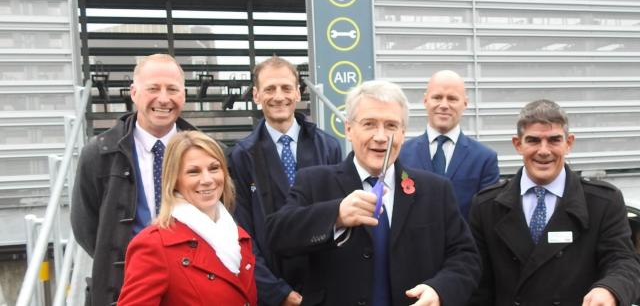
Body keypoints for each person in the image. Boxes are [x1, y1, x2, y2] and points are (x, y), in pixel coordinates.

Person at [266, 80, 480, 306]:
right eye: (369, 124)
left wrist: (439, 290)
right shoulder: (314, 182)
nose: (381, 136)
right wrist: (335, 215)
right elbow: (277, 236)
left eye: (391, 126)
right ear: (348, 129)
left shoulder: (436, 190)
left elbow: (466, 257)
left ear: (403, 133)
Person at [469, 99, 640, 306]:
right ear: (517, 144)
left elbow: (623, 261)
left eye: (554, 140)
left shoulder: (603, 203)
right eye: (533, 140)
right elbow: (478, 286)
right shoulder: (486, 207)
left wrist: (610, 289)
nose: (544, 150)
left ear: (569, 143)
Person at [71, 54, 197, 305]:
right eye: (153, 88)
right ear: (134, 92)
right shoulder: (99, 153)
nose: (163, 98)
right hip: (127, 286)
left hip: (192, 283)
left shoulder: (206, 151)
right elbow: (86, 227)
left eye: (172, 89)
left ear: (183, 94)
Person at [228, 55, 342, 306]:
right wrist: (276, 292)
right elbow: (240, 233)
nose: (279, 96)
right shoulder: (241, 156)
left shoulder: (329, 147)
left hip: (323, 285)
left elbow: (339, 220)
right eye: (269, 89)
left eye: (286, 88)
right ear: (256, 95)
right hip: (273, 290)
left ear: (299, 93)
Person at [117, 131, 257, 305]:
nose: (207, 179)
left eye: (214, 168)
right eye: (193, 172)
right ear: (174, 179)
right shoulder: (153, 245)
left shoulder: (239, 237)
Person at [399, 70, 499, 218]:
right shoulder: (401, 155)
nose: (444, 105)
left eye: (452, 98)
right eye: (437, 97)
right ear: (425, 101)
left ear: (465, 103)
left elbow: (487, 218)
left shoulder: (484, 159)